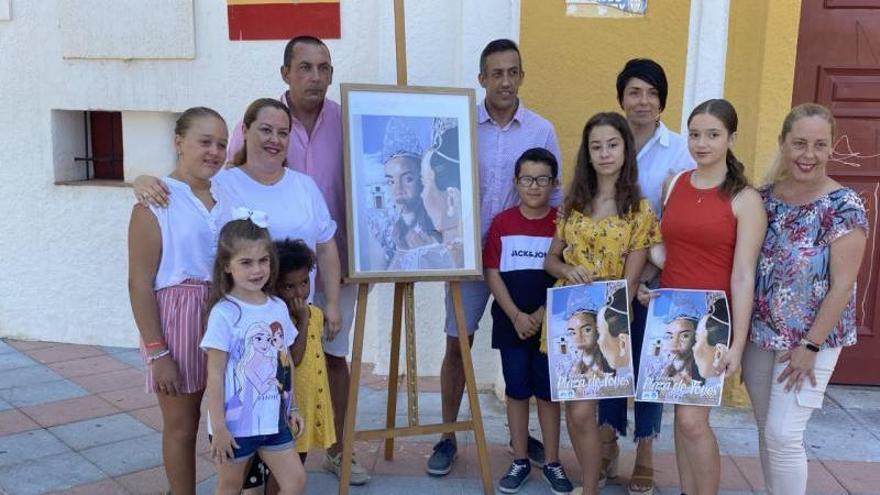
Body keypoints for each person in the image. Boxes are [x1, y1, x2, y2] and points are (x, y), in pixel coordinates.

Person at [135, 36, 367, 484]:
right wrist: (141, 179)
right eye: (265, 130)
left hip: (288, 314)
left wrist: (331, 302)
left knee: (281, 415)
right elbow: (182, 191)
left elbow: (327, 245)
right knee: (225, 417)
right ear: (247, 133)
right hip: (230, 317)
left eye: (282, 133)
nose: (275, 139)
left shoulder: (300, 185)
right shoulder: (224, 185)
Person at [428, 38, 562, 477]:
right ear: (481, 78)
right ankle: (448, 434)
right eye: (496, 73)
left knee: (529, 342)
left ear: (522, 75)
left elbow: (553, 193)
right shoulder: (460, 125)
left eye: (513, 72)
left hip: (521, 261)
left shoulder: (541, 129)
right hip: (467, 259)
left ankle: (522, 440)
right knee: (457, 343)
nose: (505, 81)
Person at [637, 98, 766, 495]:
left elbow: (744, 276)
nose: (702, 143)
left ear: (731, 138)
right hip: (670, 314)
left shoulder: (746, 199)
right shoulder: (675, 183)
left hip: (713, 318)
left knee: (694, 422)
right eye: (695, 134)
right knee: (680, 418)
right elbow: (668, 249)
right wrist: (647, 283)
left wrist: (737, 344)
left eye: (712, 135)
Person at [743, 103, 867, 495]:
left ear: (832, 148)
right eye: (799, 143)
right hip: (760, 338)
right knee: (768, 432)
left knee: (783, 435)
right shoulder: (762, 200)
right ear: (782, 143)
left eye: (819, 145)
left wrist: (810, 345)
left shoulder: (843, 206)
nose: (808, 155)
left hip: (813, 341)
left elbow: (842, 285)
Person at [544, 112, 660, 495]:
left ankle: (591, 487)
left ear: (626, 149)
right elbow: (551, 260)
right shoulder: (573, 204)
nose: (605, 153)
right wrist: (569, 267)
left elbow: (630, 281)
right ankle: (589, 484)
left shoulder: (639, 211)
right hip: (568, 318)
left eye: (612, 145)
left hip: (608, 323)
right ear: (587, 154)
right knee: (575, 414)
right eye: (597, 146)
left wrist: (605, 325)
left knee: (583, 411)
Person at [598, 58, 695, 495]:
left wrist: (648, 274)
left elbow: (683, 216)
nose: (643, 101)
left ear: (662, 102)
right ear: (621, 97)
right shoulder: (607, 141)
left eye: (652, 93)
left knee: (650, 366)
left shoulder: (679, 150)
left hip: (656, 276)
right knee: (608, 358)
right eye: (635, 91)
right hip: (607, 274)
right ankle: (606, 442)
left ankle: (645, 452)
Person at [127, 107, 228, 495]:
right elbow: (139, 282)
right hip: (178, 319)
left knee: (229, 417)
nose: (214, 152)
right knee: (183, 425)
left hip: (224, 313)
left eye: (221, 143)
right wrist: (157, 352)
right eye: (204, 142)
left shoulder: (226, 192)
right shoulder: (156, 202)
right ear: (178, 142)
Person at [483, 148, 573, 494]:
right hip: (511, 322)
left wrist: (539, 315)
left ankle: (552, 461)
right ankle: (520, 458)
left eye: (542, 179)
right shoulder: (502, 223)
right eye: (527, 179)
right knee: (517, 390)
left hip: (552, 324)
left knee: (549, 394)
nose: (534, 186)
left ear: (554, 183)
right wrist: (517, 315)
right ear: (515, 182)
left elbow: (564, 275)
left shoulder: (562, 225)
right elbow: (492, 272)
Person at [201, 216, 306, 495]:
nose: (257, 270)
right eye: (246, 263)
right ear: (227, 265)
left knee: (295, 482)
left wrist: (291, 407)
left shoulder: (277, 308)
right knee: (230, 486)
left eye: (263, 260)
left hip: (274, 419)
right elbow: (215, 373)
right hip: (235, 426)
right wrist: (219, 426)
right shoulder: (224, 313)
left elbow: (285, 362)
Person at [241, 238, 337, 493]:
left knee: (300, 459)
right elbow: (293, 359)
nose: (298, 292)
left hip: (309, 401)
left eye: (304, 283)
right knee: (280, 467)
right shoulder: (277, 320)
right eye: (289, 286)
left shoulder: (314, 313)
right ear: (274, 286)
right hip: (287, 408)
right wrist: (303, 322)